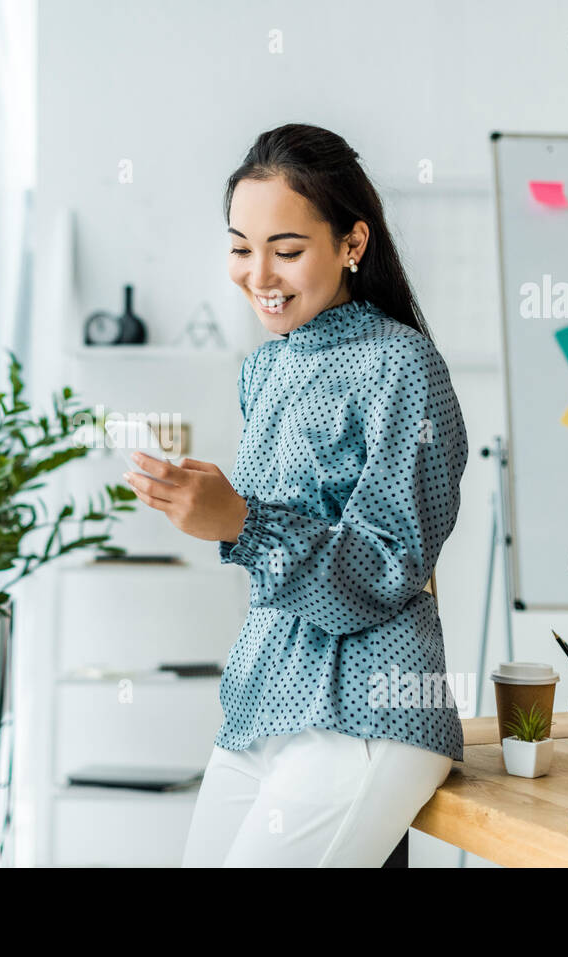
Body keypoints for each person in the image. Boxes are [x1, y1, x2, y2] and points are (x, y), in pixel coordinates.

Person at [121, 123, 468, 867]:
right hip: (263, 706)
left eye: (286, 250)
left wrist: (241, 523)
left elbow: (386, 568)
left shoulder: (402, 366)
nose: (259, 274)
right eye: (242, 247)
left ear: (352, 243)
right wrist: (221, 510)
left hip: (366, 711)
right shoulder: (266, 370)